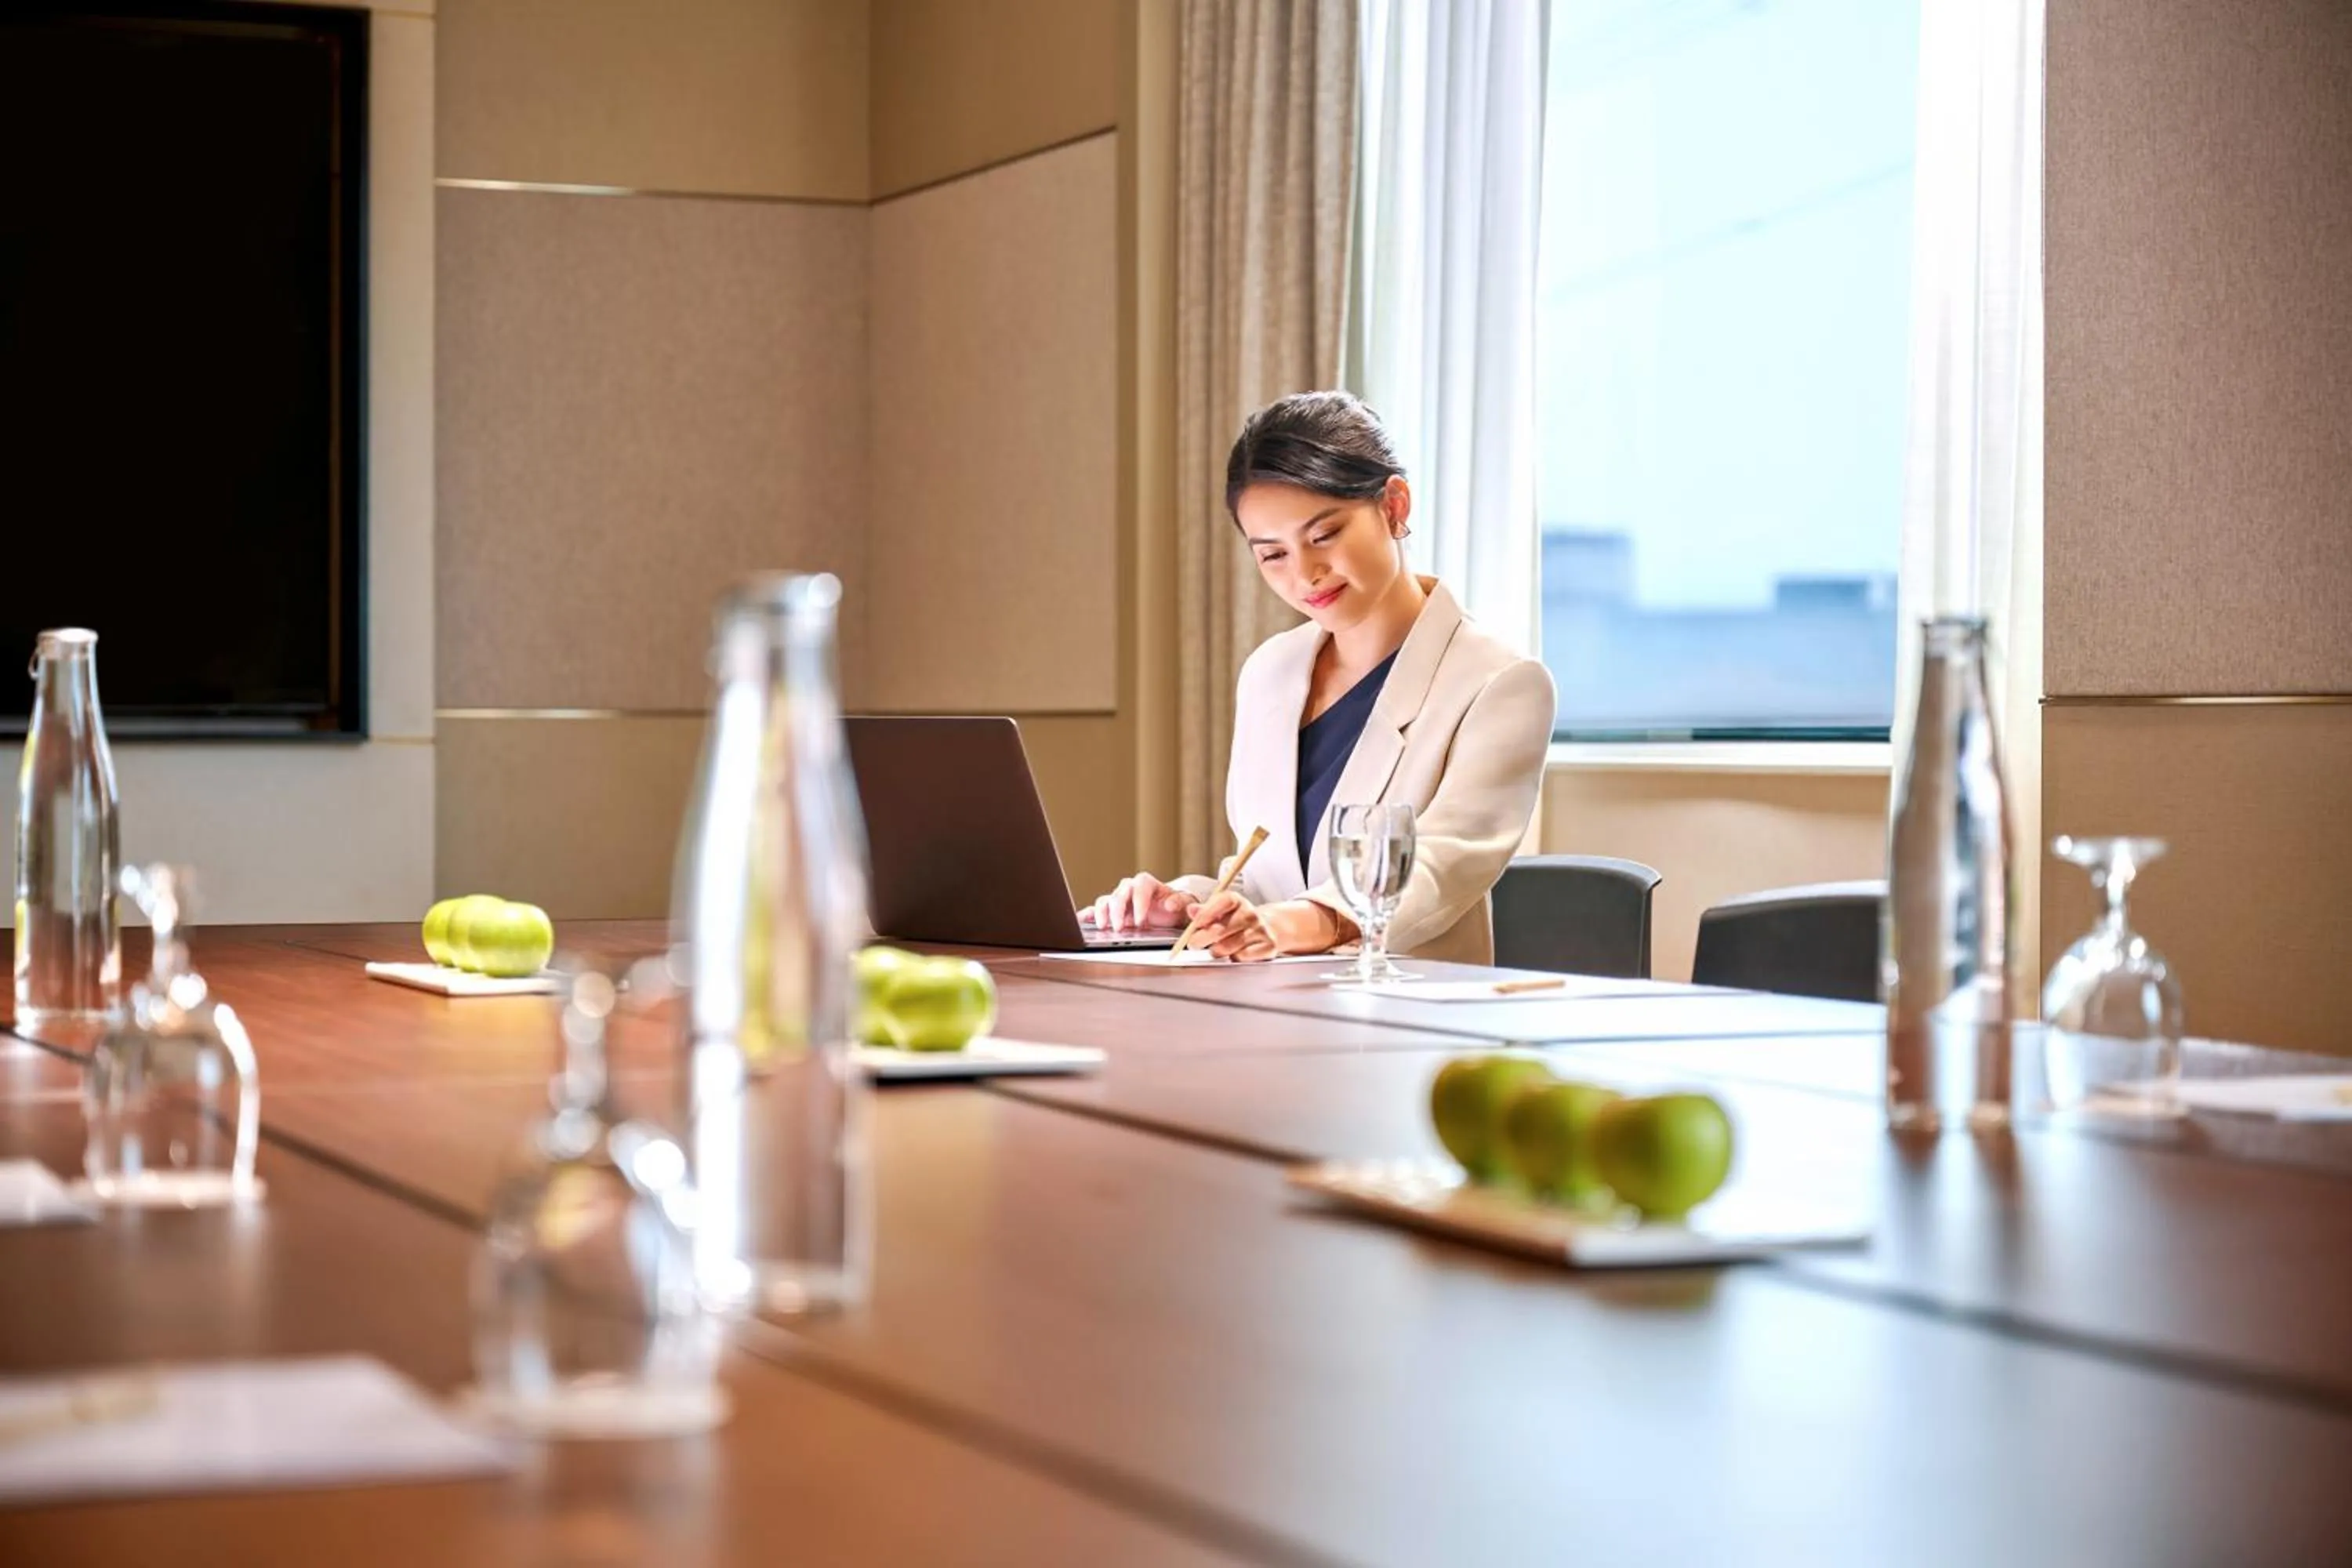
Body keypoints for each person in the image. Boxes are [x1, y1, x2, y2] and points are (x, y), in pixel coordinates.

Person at [1081, 390, 1555, 963]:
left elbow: (1442, 866)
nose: (1306, 574)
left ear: (1394, 506)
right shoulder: (1269, 671)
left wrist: (1285, 926)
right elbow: (1265, 879)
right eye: (1272, 555)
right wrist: (1188, 908)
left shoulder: (1501, 681)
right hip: (1271, 998)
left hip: (1407, 999)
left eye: (1324, 535)